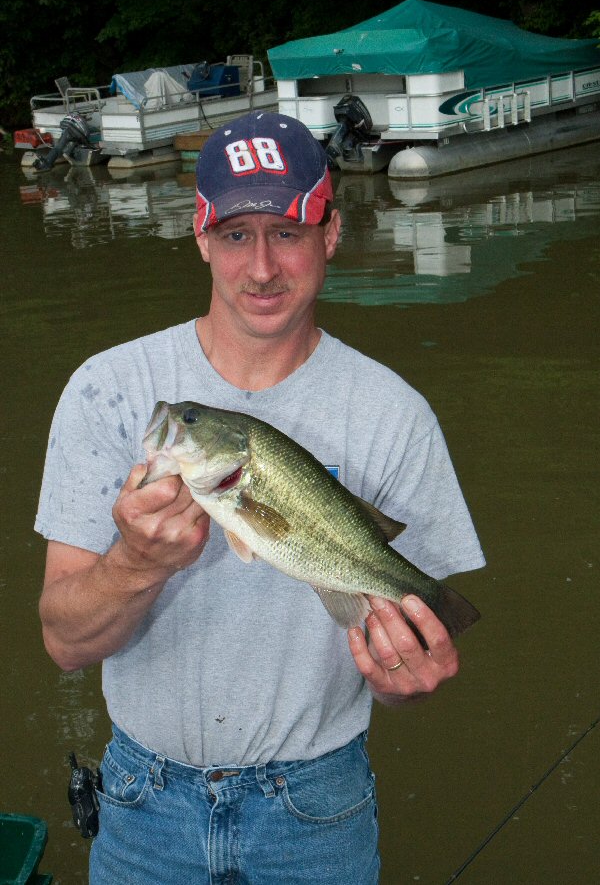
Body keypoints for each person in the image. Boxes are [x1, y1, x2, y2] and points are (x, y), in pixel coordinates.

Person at [36, 111, 485, 884]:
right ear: (201, 237)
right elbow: (64, 644)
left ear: (330, 233)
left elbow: (402, 659)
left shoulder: (394, 414)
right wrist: (137, 564)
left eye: (288, 231)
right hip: (143, 806)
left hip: (318, 810)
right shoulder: (106, 389)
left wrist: (405, 680)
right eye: (237, 234)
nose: (263, 267)